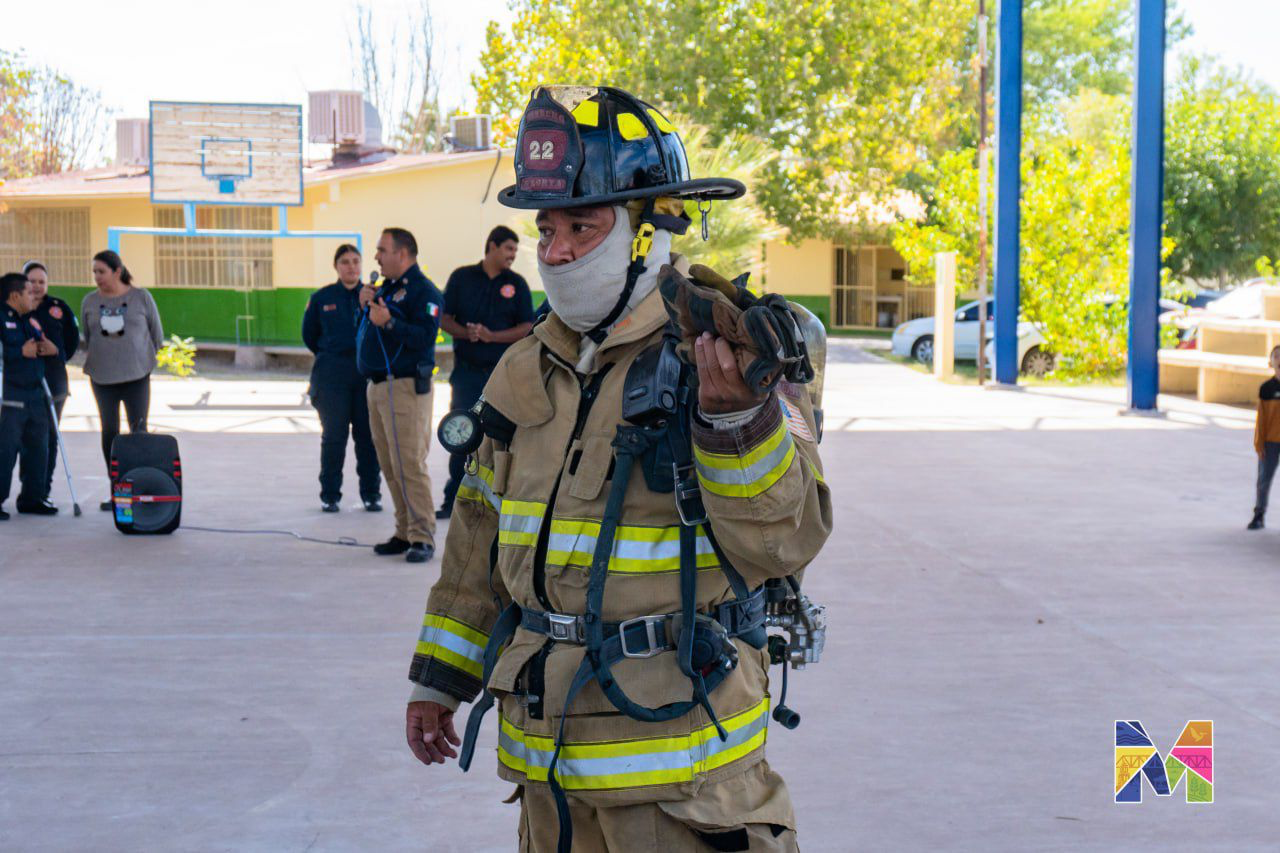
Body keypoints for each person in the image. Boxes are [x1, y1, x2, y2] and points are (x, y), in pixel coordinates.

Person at [402, 87, 832, 852]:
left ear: (651, 228)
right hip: (550, 775)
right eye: (547, 227)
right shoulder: (524, 368)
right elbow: (477, 536)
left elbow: (786, 540)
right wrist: (440, 678)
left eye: (583, 224)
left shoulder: (730, 354)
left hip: (682, 783)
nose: (557, 250)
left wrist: (737, 419)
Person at [356, 227, 445, 564]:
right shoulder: (387, 289)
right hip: (378, 386)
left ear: (403, 254)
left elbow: (425, 339)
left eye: (382, 250)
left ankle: (423, 537)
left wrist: (390, 322)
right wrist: (364, 305)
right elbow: (367, 329)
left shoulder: (424, 292)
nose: (376, 256)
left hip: (405, 387)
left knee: (409, 463)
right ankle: (404, 531)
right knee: (390, 464)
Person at [436, 225, 534, 519]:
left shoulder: (516, 284)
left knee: (499, 439)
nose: (512, 256)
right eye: (508, 249)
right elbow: (444, 318)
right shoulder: (462, 278)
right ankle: (453, 499)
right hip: (466, 374)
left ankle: (497, 502)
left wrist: (492, 336)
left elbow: (526, 327)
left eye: (515, 251)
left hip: (502, 376)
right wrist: (467, 333)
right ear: (492, 246)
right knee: (460, 434)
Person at [80, 250, 164, 511]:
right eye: (94, 272)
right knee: (110, 433)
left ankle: (140, 487)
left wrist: (144, 360)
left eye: (101, 271)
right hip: (102, 378)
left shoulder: (141, 297)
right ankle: (117, 491)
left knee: (138, 431)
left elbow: (156, 335)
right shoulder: (90, 301)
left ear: (117, 271)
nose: (97, 277)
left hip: (137, 375)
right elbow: (87, 334)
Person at [302, 244, 382, 513]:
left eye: (356, 261)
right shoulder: (322, 298)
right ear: (336, 266)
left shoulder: (374, 297)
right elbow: (309, 336)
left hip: (365, 376)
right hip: (331, 377)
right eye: (345, 262)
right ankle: (330, 495)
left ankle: (371, 494)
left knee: (368, 438)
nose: (351, 267)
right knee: (334, 438)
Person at [19, 260, 79, 501]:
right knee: (27, 438)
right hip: (24, 384)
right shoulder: (15, 308)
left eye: (41, 282)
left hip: (54, 383)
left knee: (50, 437)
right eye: (31, 281)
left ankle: (43, 491)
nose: (36, 286)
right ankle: (29, 491)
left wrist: (56, 352)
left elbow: (72, 342)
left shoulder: (58, 308)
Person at [1, 272, 58, 519]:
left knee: (39, 448)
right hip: (11, 396)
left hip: (36, 394)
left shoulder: (28, 320)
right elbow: (11, 353)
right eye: (27, 291)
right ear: (15, 295)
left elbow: (44, 346)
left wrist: (45, 347)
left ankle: (32, 498)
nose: (32, 294)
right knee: (5, 450)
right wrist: (18, 352)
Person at [1249, 345, 1280, 529]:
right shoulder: (1266, 389)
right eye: (1276, 356)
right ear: (1271, 362)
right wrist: (1259, 442)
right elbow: (1261, 419)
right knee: (1263, 479)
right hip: (1270, 442)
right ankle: (1259, 514)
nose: (1279, 359)